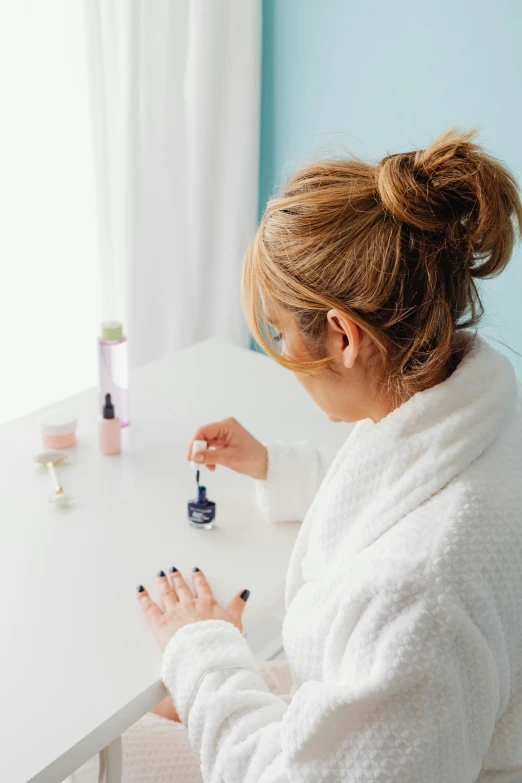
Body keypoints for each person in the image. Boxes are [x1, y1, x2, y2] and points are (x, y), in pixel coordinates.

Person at [70, 129, 522, 782]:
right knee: (172, 700)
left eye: (280, 331)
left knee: (104, 751)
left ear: (343, 335)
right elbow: (400, 501)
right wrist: (276, 468)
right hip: (406, 711)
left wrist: (203, 646)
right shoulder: (475, 407)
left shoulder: (419, 602)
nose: (281, 355)